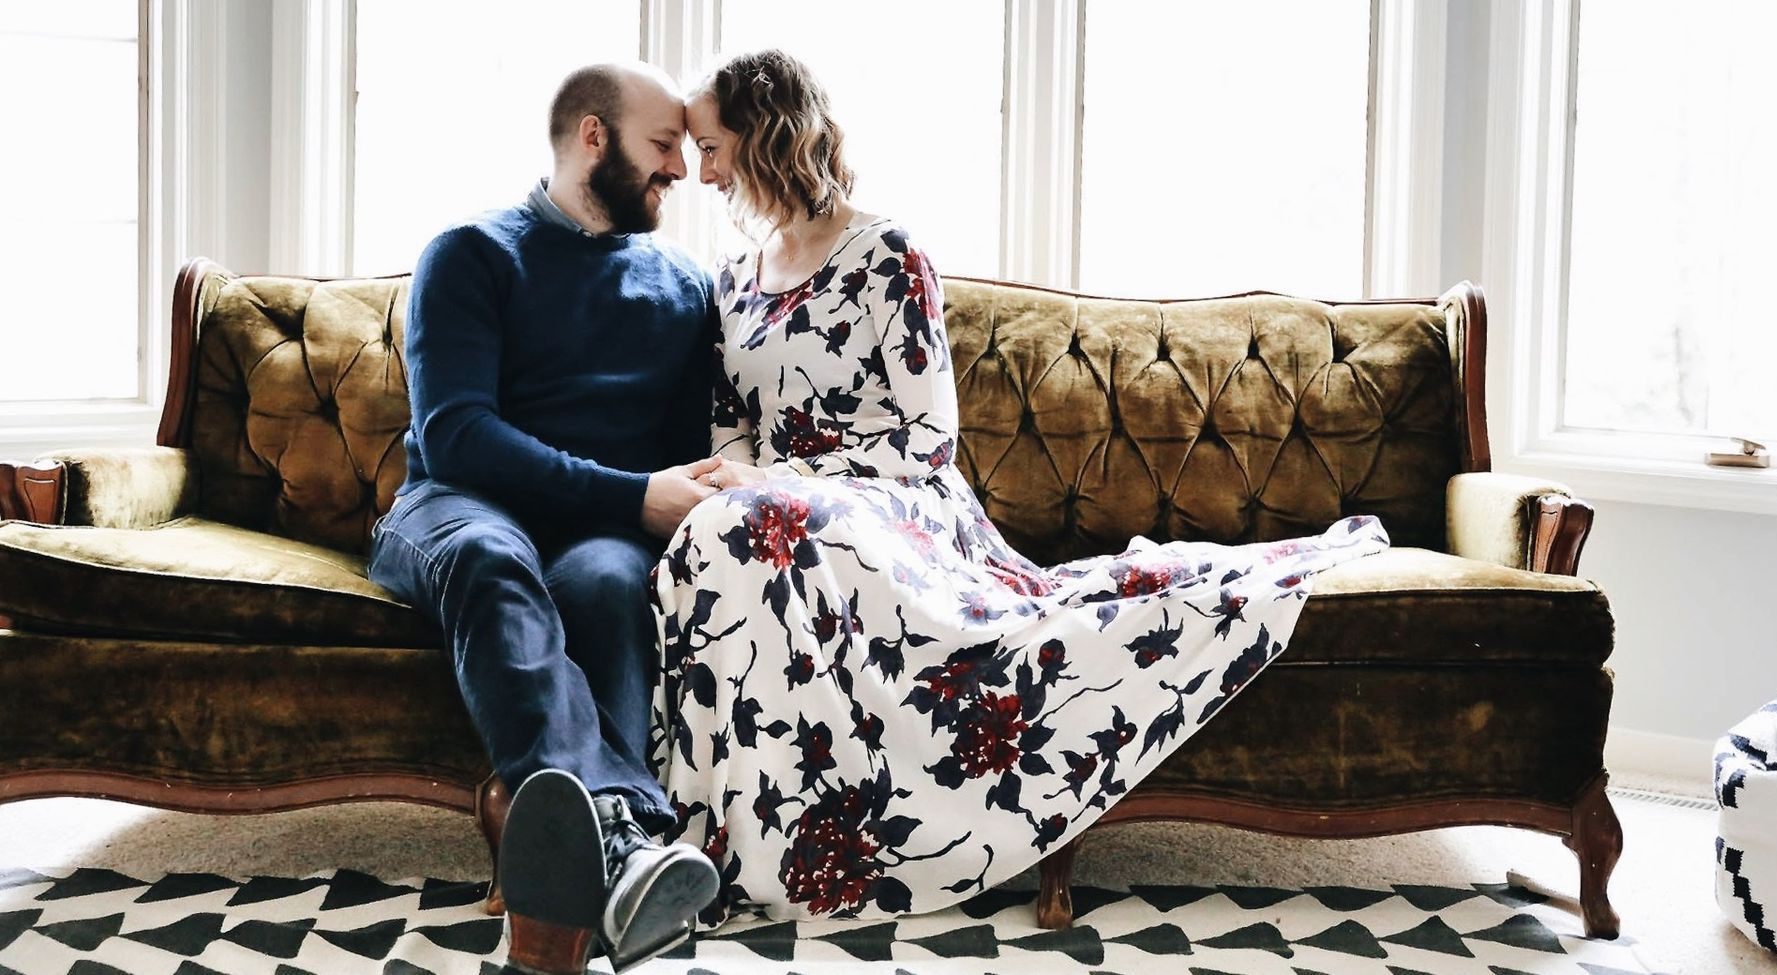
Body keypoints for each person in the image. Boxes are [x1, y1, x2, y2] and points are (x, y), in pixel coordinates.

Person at [660, 48, 1389, 923]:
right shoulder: (735, 273)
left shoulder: (887, 254)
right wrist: (738, 477)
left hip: (895, 501)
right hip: (776, 505)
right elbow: (729, 415)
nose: (701, 173)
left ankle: (837, 837)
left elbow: (927, 442)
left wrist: (778, 480)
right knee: (715, 533)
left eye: (712, 147)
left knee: (757, 523)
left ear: (767, 137)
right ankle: (714, 835)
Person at [368, 62, 722, 975]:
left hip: (595, 534)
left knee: (609, 584)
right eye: (662, 143)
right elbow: (457, 437)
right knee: (492, 558)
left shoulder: (687, 286)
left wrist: (679, 493)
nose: (681, 167)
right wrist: (632, 492)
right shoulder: (472, 252)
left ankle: (581, 891)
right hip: (455, 508)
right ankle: (629, 832)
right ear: (593, 136)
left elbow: (682, 453)